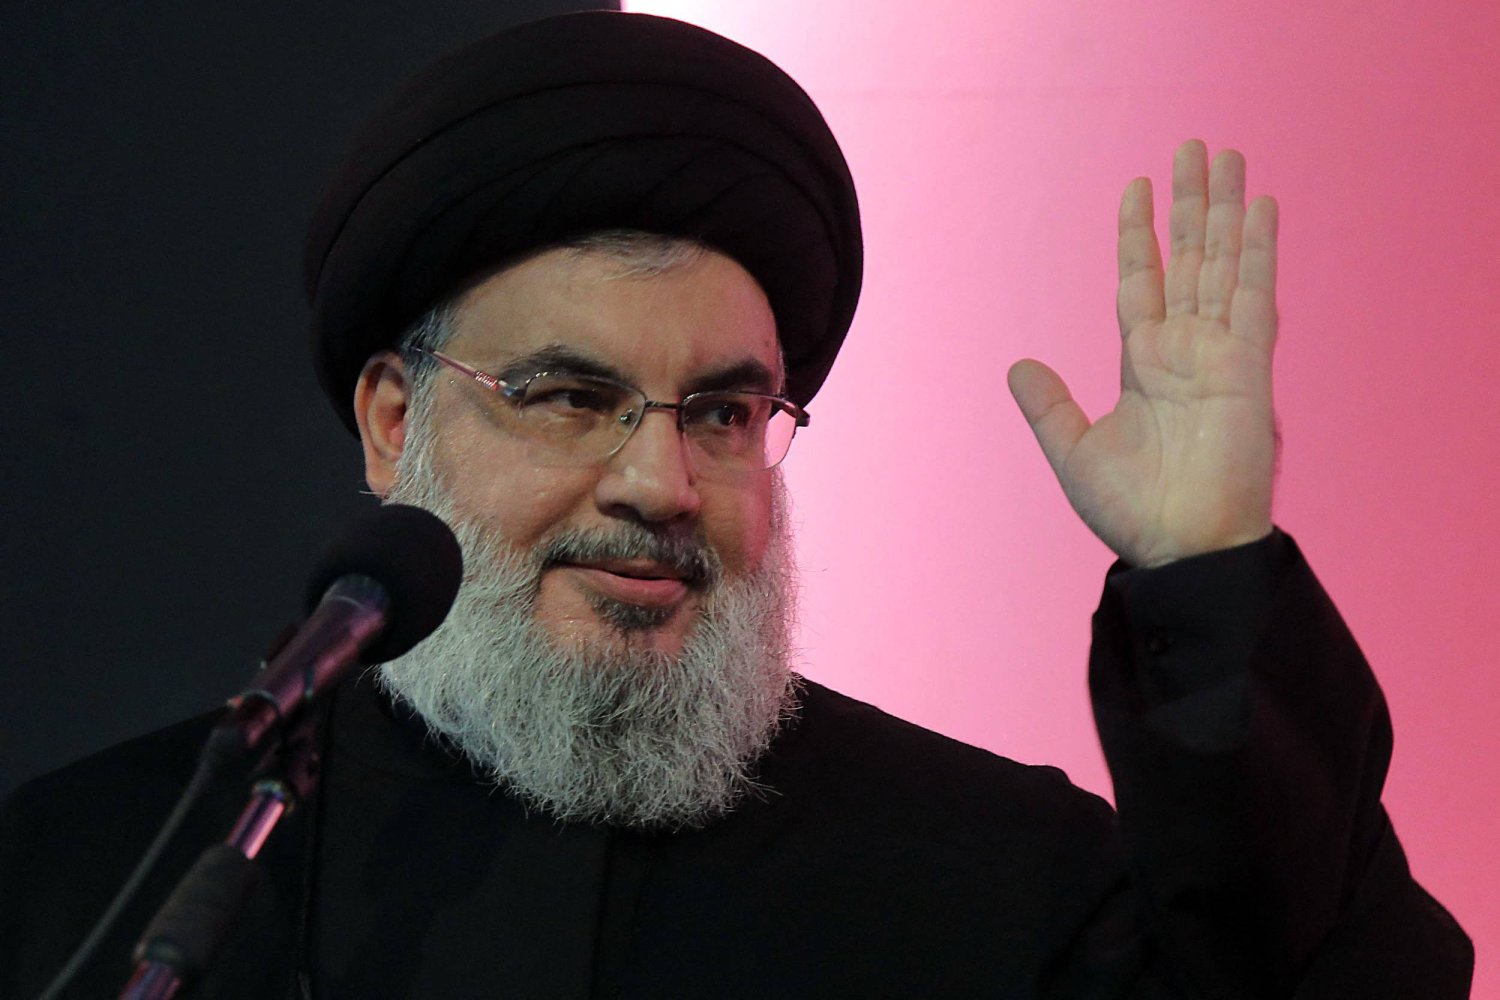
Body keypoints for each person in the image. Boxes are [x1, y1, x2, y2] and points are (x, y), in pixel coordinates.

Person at [0, 10, 1473, 998]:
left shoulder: (993, 879)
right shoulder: (105, 882)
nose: (662, 485)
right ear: (396, 421)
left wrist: (1208, 573)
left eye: (721, 413)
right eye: (569, 396)